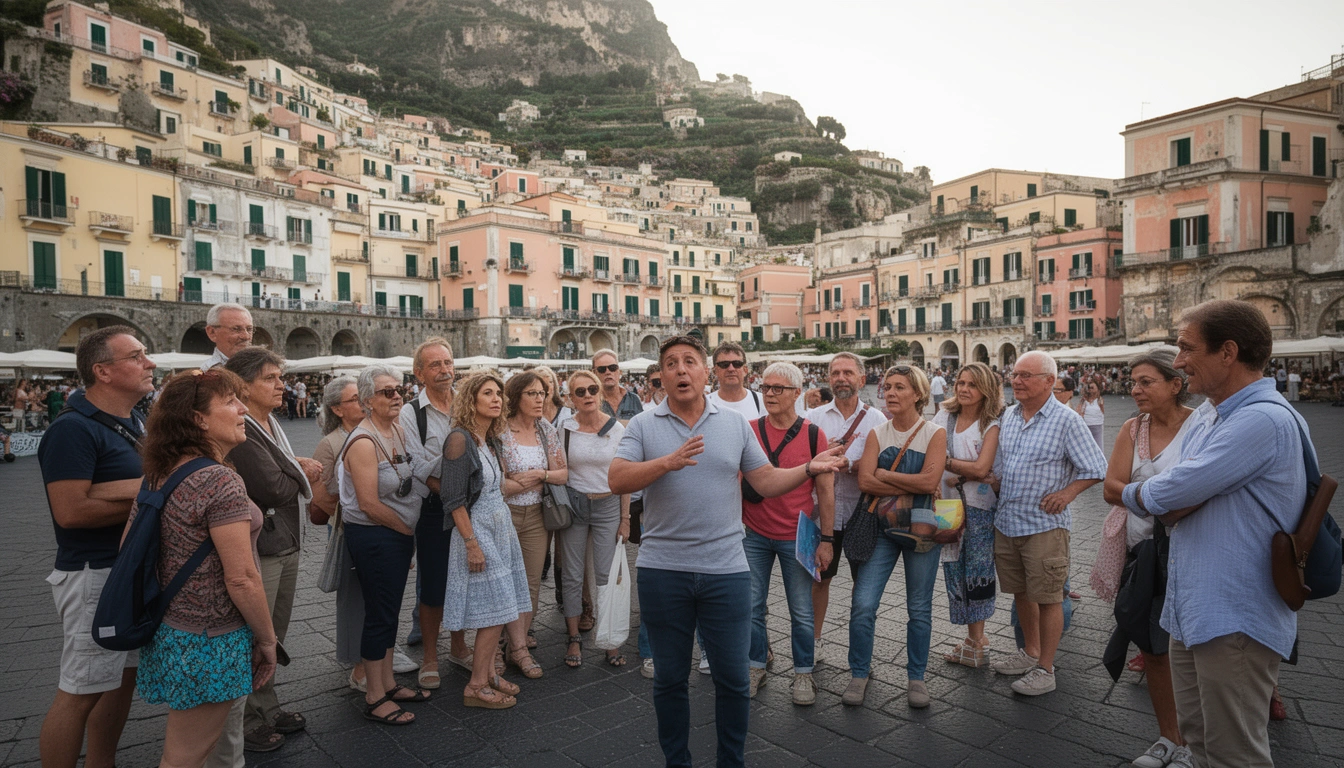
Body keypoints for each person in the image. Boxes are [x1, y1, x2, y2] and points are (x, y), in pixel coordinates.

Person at [608, 334, 844, 768]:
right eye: (672, 363)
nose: (681, 370)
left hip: (726, 570)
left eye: (690, 361)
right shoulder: (643, 424)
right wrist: (666, 463)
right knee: (670, 680)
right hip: (663, 570)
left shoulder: (734, 424)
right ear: (661, 374)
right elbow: (617, 479)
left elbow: (766, 480)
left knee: (734, 680)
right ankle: (676, 761)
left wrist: (809, 467)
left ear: (705, 372)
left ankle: (730, 761)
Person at [1123, 300, 1311, 768]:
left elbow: (1173, 492)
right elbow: (1174, 490)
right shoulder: (1212, 413)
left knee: (1234, 754)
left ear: (1228, 352)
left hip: (1235, 615)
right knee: (1200, 741)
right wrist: (1165, 494)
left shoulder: (1261, 419)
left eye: (1187, 348)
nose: (1179, 361)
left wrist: (1133, 492)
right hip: (1196, 608)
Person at [132, 369, 279, 768]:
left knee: (188, 752)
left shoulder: (161, 472)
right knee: (185, 757)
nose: (242, 409)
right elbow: (243, 577)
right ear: (199, 419)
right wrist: (268, 640)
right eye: (231, 401)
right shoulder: (219, 480)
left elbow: (130, 544)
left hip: (174, 629)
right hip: (210, 636)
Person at [37, 327, 155, 768]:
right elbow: (70, 512)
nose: (150, 363)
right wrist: (147, 497)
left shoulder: (136, 421)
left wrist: (135, 493)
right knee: (80, 690)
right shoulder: (72, 430)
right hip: (93, 574)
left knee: (120, 680)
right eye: (137, 356)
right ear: (102, 371)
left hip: (123, 571)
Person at [991, 350, 1107, 696]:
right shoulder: (1009, 416)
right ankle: (1030, 653)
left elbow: (1096, 467)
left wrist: (1068, 493)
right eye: (1015, 374)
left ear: (1048, 382)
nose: (1017, 380)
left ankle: (1046, 668)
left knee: (1049, 597)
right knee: (1022, 592)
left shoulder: (1066, 420)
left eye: (1026, 375)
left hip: (1044, 523)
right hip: (1009, 520)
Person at [221, 348, 320, 753]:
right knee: (256, 636)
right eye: (270, 378)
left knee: (274, 634)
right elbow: (274, 487)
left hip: (284, 538)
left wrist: (289, 471)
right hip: (263, 545)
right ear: (243, 386)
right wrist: (298, 470)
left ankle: (267, 706)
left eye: (281, 377)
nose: (281, 385)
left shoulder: (270, 423)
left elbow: (279, 479)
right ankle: (247, 720)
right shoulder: (243, 430)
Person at [1102, 350, 1195, 768]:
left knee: (1191, 650)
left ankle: (1195, 742)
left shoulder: (1200, 426)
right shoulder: (1131, 428)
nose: (1134, 389)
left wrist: (1140, 495)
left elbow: (1202, 491)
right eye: (1132, 381)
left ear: (1175, 384)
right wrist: (1164, 500)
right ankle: (1167, 737)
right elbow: (1109, 487)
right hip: (1143, 554)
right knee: (1154, 649)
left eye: (1145, 382)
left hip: (1191, 552)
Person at [846, 364, 946, 709]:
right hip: (882, 528)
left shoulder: (934, 432)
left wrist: (885, 474)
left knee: (919, 608)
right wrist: (911, 480)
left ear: (917, 394)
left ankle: (916, 677)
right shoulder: (878, 432)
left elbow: (930, 484)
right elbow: (864, 482)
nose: (889, 393)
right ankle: (859, 672)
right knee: (863, 604)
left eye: (899, 387)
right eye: (887, 387)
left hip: (921, 526)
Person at [340, 365, 432, 725]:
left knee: (390, 610)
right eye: (386, 392)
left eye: (399, 389)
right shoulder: (363, 442)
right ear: (367, 401)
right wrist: (406, 530)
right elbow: (368, 503)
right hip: (377, 535)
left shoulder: (395, 428)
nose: (397, 396)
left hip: (394, 534)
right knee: (379, 615)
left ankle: (389, 682)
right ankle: (375, 696)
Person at [742, 362, 833, 705]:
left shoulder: (814, 434)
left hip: (797, 535)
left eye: (778, 388)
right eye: (765, 388)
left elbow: (825, 491)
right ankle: (755, 665)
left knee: (801, 610)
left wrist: (827, 539)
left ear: (798, 393)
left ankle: (803, 674)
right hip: (753, 533)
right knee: (751, 606)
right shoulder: (748, 429)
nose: (770, 394)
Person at [441, 371, 533, 709]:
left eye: (499, 394)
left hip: (499, 528)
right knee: (494, 610)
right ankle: (476, 686)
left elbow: (495, 487)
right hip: (477, 531)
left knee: (499, 608)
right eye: (488, 394)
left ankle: (488, 676)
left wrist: (529, 480)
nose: (497, 399)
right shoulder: (459, 439)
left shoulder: (488, 440)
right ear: (471, 401)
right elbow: (452, 499)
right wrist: (471, 543)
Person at [806, 353, 888, 655]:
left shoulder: (877, 420)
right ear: (828, 378)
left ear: (862, 379)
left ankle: (860, 646)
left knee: (862, 585)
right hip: (820, 515)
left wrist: (850, 465)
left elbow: (881, 467)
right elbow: (803, 464)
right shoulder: (813, 418)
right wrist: (818, 460)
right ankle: (813, 641)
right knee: (819, 580)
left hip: (860, 514)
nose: (841, 378)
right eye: (836, 373)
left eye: (848, 373)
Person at [399, 339, 470, 688]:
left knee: (463, 579)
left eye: (448, 362)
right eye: (435, 365)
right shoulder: (411, 413)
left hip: (469, 506)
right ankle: (429, 655)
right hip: (434, 508)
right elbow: (417, 466)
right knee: (433, 583)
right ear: (419, 373)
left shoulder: (467, 404)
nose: (444, 370)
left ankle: (458, 646)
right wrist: (457, 462)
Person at [556, 369, 631, 668]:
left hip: (608, 505)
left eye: (592, 390)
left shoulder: (616, 430)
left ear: (600, 393)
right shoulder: (563, 428)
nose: (587, 396)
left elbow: (624, 476)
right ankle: (574, 638)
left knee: (605, 575)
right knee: (572, 575)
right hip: (573, 505)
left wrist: (625, 518)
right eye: (580, 392)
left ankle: (609, 638)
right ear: (571, 398)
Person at [933, 362, 1003, 669]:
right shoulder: (945, 415)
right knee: (953, 567)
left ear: (985, 389)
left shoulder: (992, 423)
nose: (963, 389)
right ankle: (975, 638)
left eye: (972, 384)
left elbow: (981, 468)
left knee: (977, 571)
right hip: (946, 506)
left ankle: (976, 642)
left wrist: (948, 463)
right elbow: (928, 451)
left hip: (979, 508)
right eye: (960, 382)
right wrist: (956, 472)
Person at [307, 376, 374, 692]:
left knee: (376, 594)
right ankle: (356, 660)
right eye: (353, 399)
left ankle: (378, 652)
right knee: (354, 596)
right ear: (337, 408)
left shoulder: (372, 432)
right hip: (349, 527)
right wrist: (354, 502)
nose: (362, 402)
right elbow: (318, 495)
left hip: (376, 525)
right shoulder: (330, 442)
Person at [499, 371, 568, 673]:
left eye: (542, 393)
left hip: (538, 516)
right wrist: (535, 479)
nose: (540, 399)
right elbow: (497, 484)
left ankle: (519, 647)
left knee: (529, 586)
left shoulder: (546, 430)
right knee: (501, 583)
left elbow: (563, 474)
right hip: (503, 515)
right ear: (515, 397)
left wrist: (537, 476)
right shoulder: (499, 431)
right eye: (532, 393)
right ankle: (497, 646)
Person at [706, 341, 764, 420]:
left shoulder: (762, 403)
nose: (731, 369)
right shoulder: (704, 405)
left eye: (737, 364)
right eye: (724, 364)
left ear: (745, 370)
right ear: (715, 371)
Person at [592, 349, 643, 422]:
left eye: (612, 368)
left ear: (619, 371)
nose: (608, 372)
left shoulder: (634, 399)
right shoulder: (591, 402)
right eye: (602, 369)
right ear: (594, 373)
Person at [201, 303, 255, 371]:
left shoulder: (263, 367)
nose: (246, 336)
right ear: (212, 332)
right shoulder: (207, 375)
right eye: (236, 329)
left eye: (249, 329)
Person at [1077, 379, 1106, 450]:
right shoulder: (1084, 399)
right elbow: (1078, 411)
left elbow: (1102, 412)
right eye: (1089, 388)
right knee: (1085, 446)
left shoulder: (1099, 400)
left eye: (1092, 388)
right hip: (1086, 425)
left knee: (1098, 446)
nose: (1090, 390)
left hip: (1097, 425)